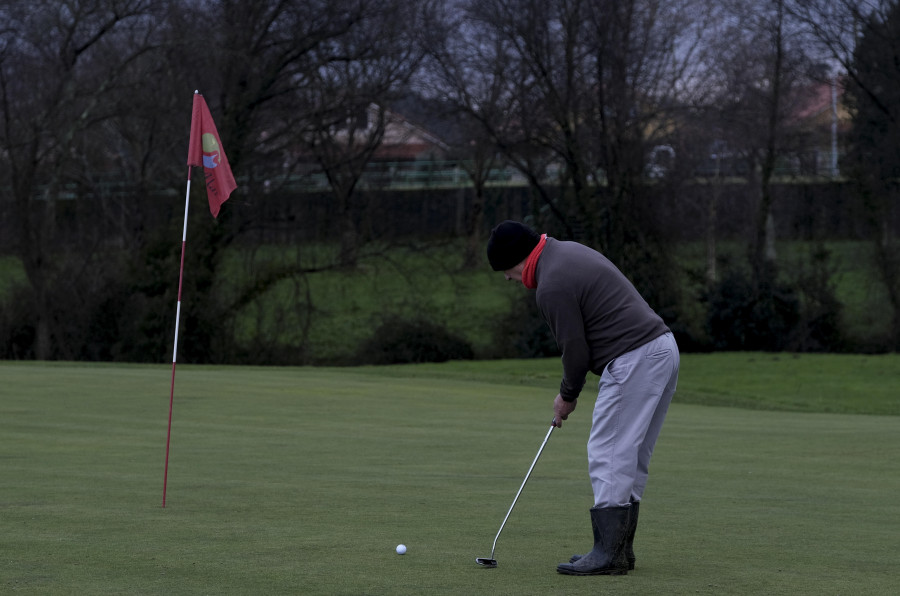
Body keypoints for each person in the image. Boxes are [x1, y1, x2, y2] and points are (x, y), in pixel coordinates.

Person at [486, 220, 679, 576]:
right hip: (661, 349)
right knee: (631, 454)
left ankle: (609, 553)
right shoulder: (566, 251)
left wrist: (567, 396)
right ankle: (618, 551)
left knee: (608, 451)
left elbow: (575, 350)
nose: (507, 279)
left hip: (633, 356)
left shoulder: (551, 284)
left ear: (516, 261)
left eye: (505, 271)